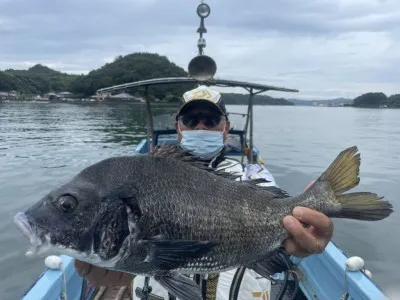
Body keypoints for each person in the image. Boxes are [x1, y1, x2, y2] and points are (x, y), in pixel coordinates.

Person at [75, 85, 334, 299]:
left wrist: (300, 240)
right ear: (178, 128)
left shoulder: (253, 175)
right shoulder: (144, 178)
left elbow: (276, 214)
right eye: (190, 120)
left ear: (225, 128)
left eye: (211, 120)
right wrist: (100, 267)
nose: (200, 127)